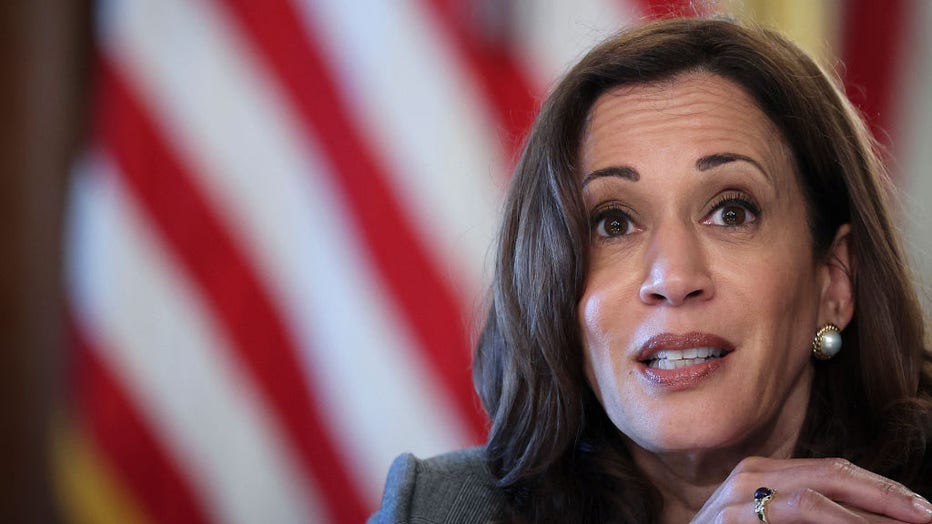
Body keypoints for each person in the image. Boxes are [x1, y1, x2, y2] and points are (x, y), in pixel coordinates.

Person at [370, 16, 932, 524]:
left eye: (730, 212)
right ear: (557, 293)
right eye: (614, 223)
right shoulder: (438, 509)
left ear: (834, 281)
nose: (672, 277)